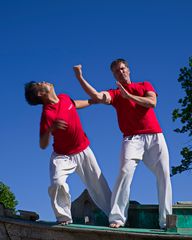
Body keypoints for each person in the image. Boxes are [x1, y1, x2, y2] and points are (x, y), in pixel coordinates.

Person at [73, 59, 172, 229]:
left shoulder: (144, 85)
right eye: (117, 71)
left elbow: (152, 103)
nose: (121, 72)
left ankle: (165, 220)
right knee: (124, 172)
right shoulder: (116, 94)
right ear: (114, 75)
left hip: (155, 136)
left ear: (128, 69)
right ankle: (117, 218)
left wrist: (130, 96)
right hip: (131, 139)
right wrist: (79, 76)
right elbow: (97, 96)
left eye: (123, 69)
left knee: (164, 174)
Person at [24, 80, 111, 225]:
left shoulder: (64, 97)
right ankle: (64, 217)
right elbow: (42, 144)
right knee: (57, 183)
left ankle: (115, 215)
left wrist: (91, 101)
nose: (44, 81)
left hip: (83, 150)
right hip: (62, 156)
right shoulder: (47, 114)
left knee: (98, 184)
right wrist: (50, 129)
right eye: (40, 84)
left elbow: (75, 104)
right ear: (41, 93)